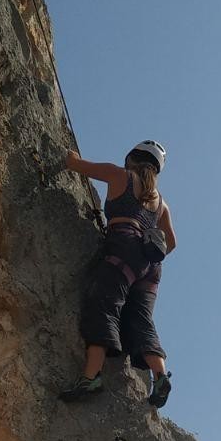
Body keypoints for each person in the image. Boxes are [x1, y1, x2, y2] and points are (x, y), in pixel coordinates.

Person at [59, 139, 176, 408]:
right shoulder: (161, 203)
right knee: (140, 318)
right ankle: (159, 376)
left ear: (132, 157)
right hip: (150, 266)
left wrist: (71, 155)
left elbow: (74, 164)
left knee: (103, 305)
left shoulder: (119, 175)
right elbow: (171, 242)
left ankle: (91, 377)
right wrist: (144, 254)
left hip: (123, 247)